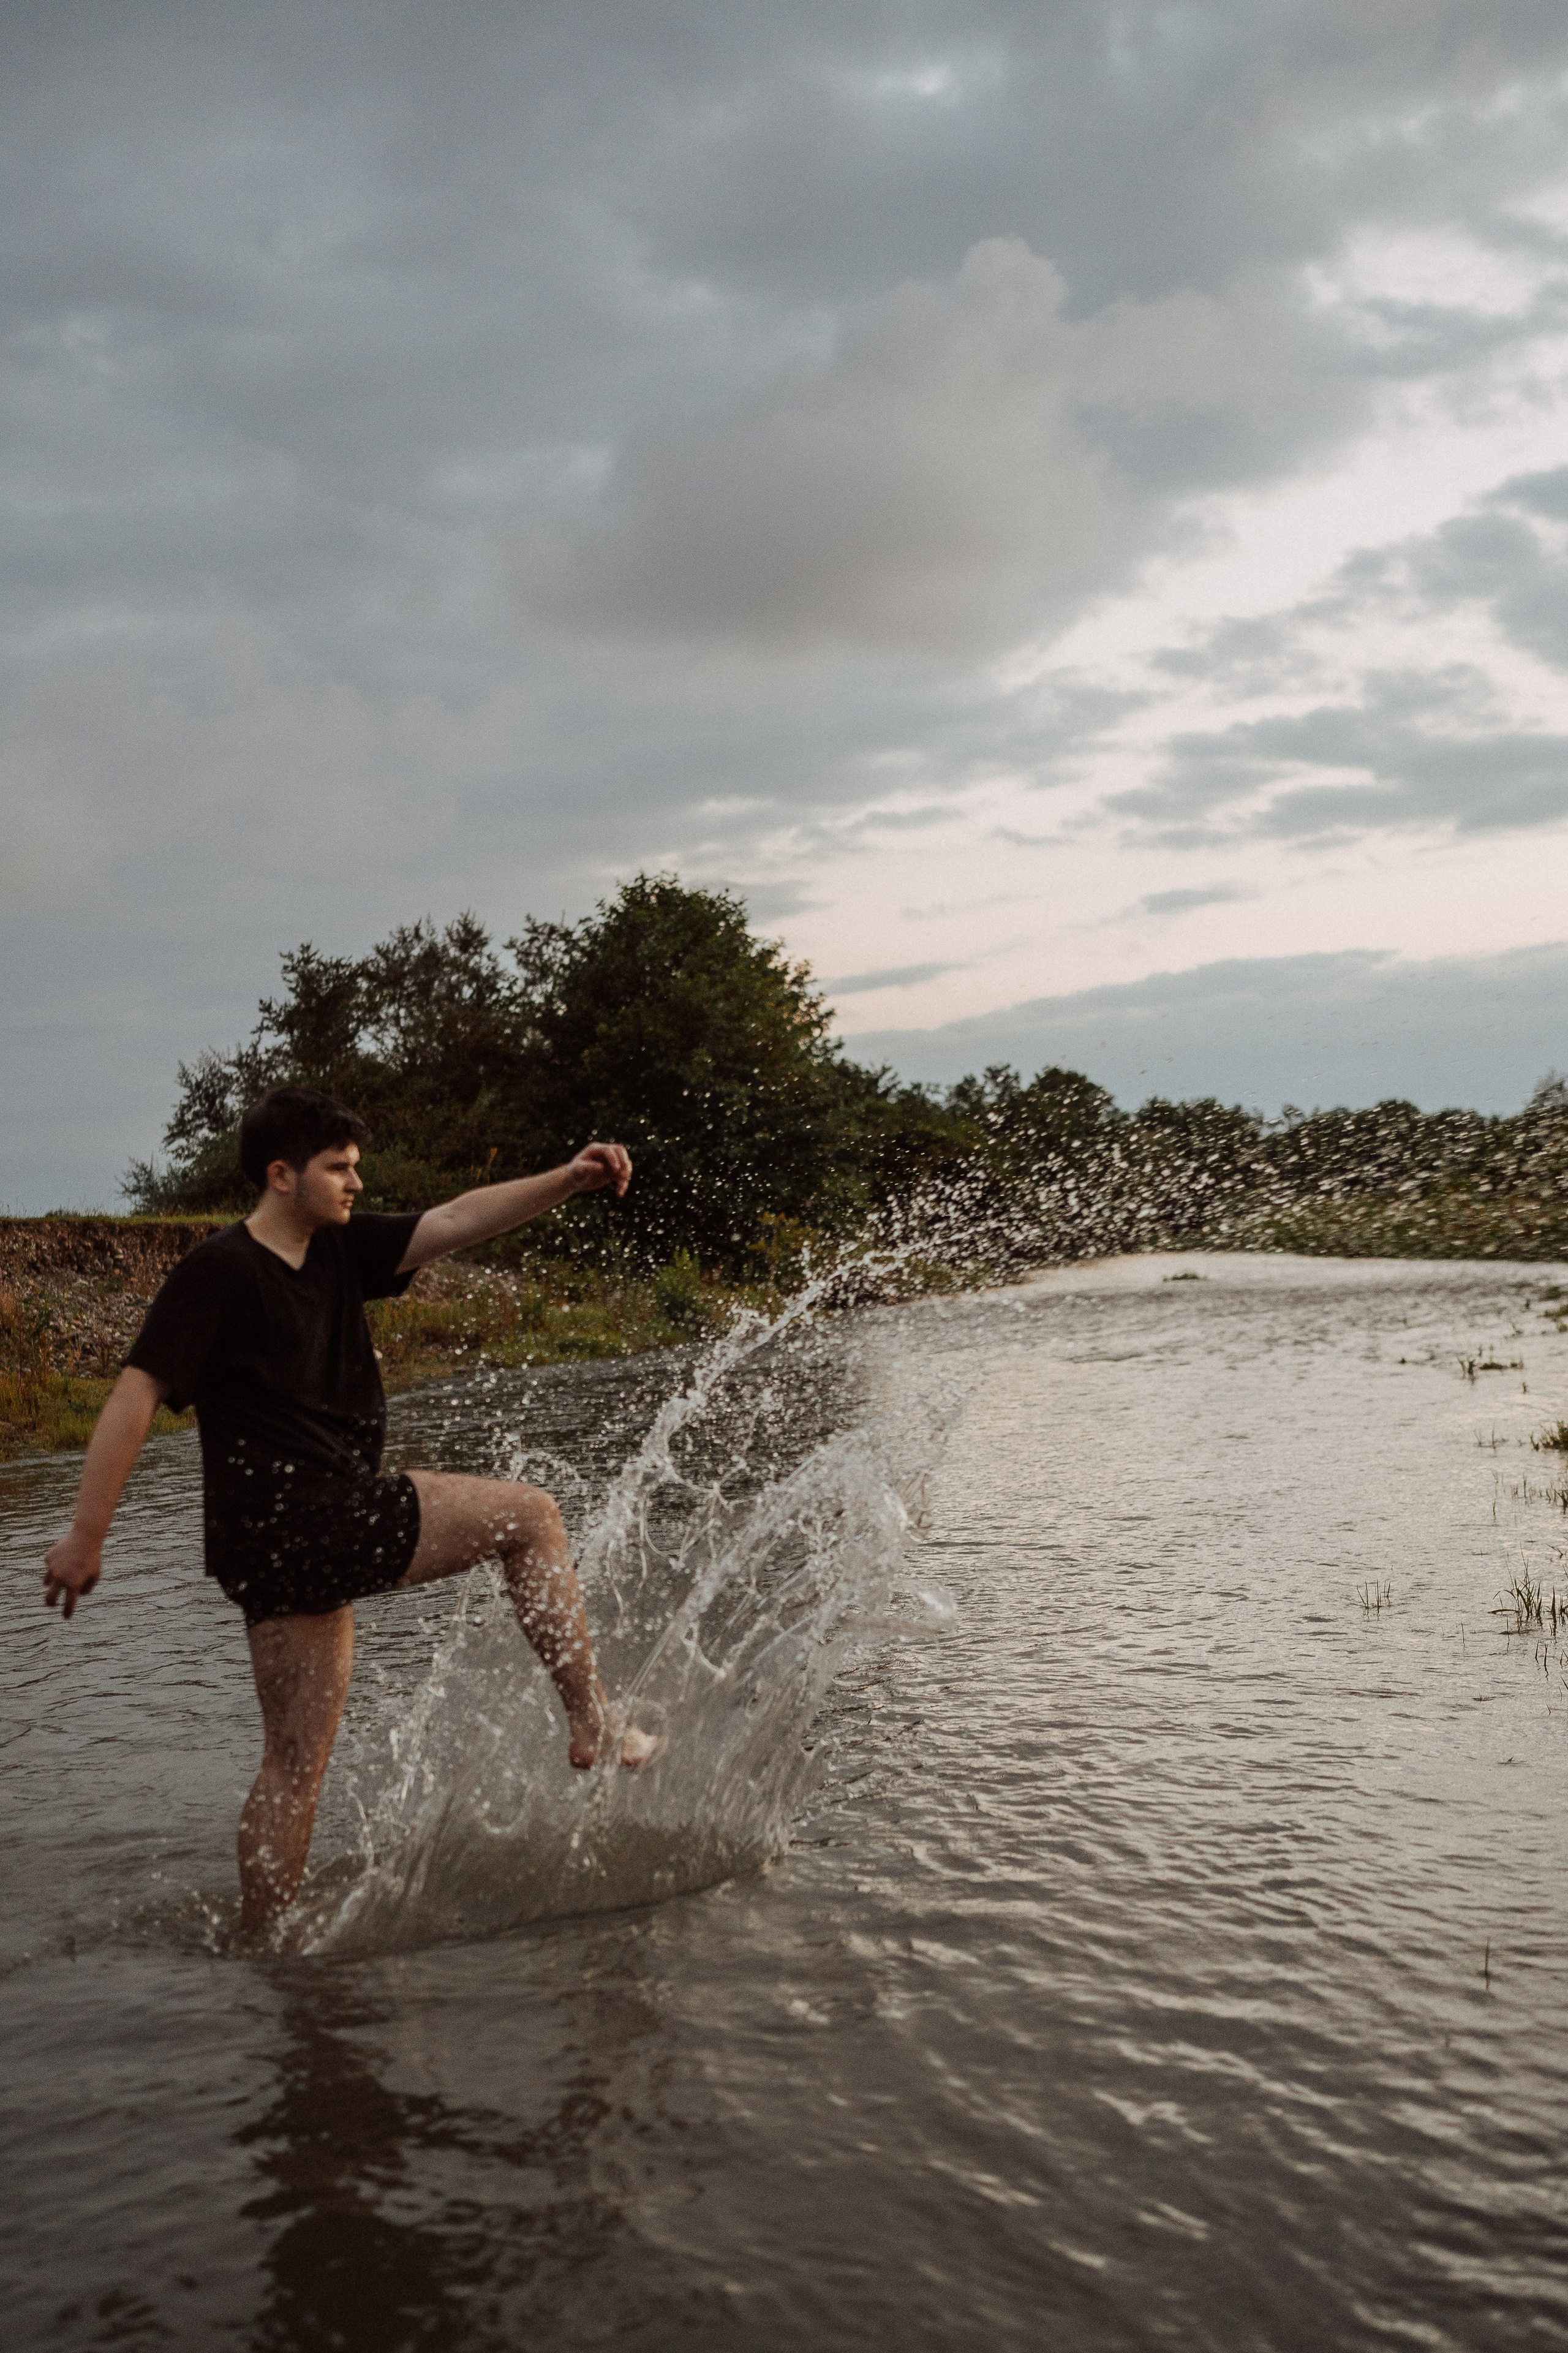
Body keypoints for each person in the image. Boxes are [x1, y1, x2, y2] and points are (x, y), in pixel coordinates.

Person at [42, 1084, 657, 1935]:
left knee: (295, 1765)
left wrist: (567, 1178)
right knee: (533, 1517)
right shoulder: (218, 1271)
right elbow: (135, 1391)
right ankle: (591, 1719)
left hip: (265, 1551)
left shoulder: (338, 1251)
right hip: (319, 1517)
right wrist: (86, 1531)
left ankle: (265, 1948)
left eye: (357, 1167)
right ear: (281, 1173)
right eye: (339, 1168)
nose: (356, 1183)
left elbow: (459, 1217)